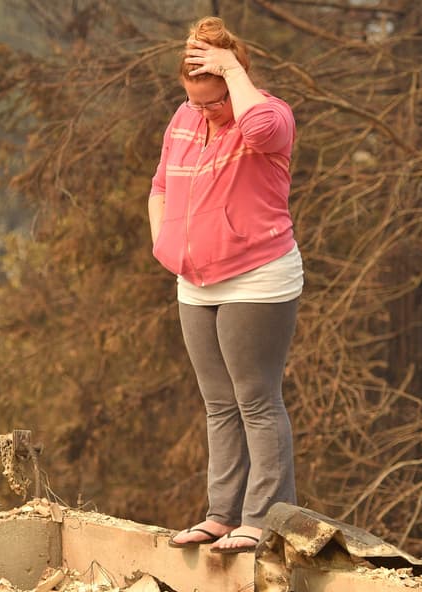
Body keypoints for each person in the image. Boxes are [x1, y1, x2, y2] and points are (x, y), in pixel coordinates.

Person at [150, 16, 303, 555]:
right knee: (218, 404)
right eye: (196, 101)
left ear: (234, 79)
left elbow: (258, 125)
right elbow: (161, 185)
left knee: (257, 400)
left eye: (214, 100)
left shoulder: (267, 116)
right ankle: (221, 515)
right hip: (195, 281)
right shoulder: (185, 120)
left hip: (258, 278)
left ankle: (263, 519)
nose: (206, 111)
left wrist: (234, 73)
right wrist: (163, 244)